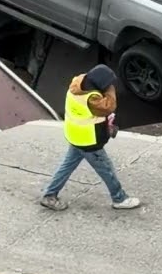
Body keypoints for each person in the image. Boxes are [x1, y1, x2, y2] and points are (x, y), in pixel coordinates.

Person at [39, 64, 141, 211]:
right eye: (108, 84)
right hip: (88, 141)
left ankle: (49, 195)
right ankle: (119, 198)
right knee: (107, 170)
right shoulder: (91, 98)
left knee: (66, 166)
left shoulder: (77, 86)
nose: (110, 85)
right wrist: (110, 90)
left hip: (76, 136)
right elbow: (109, 107)